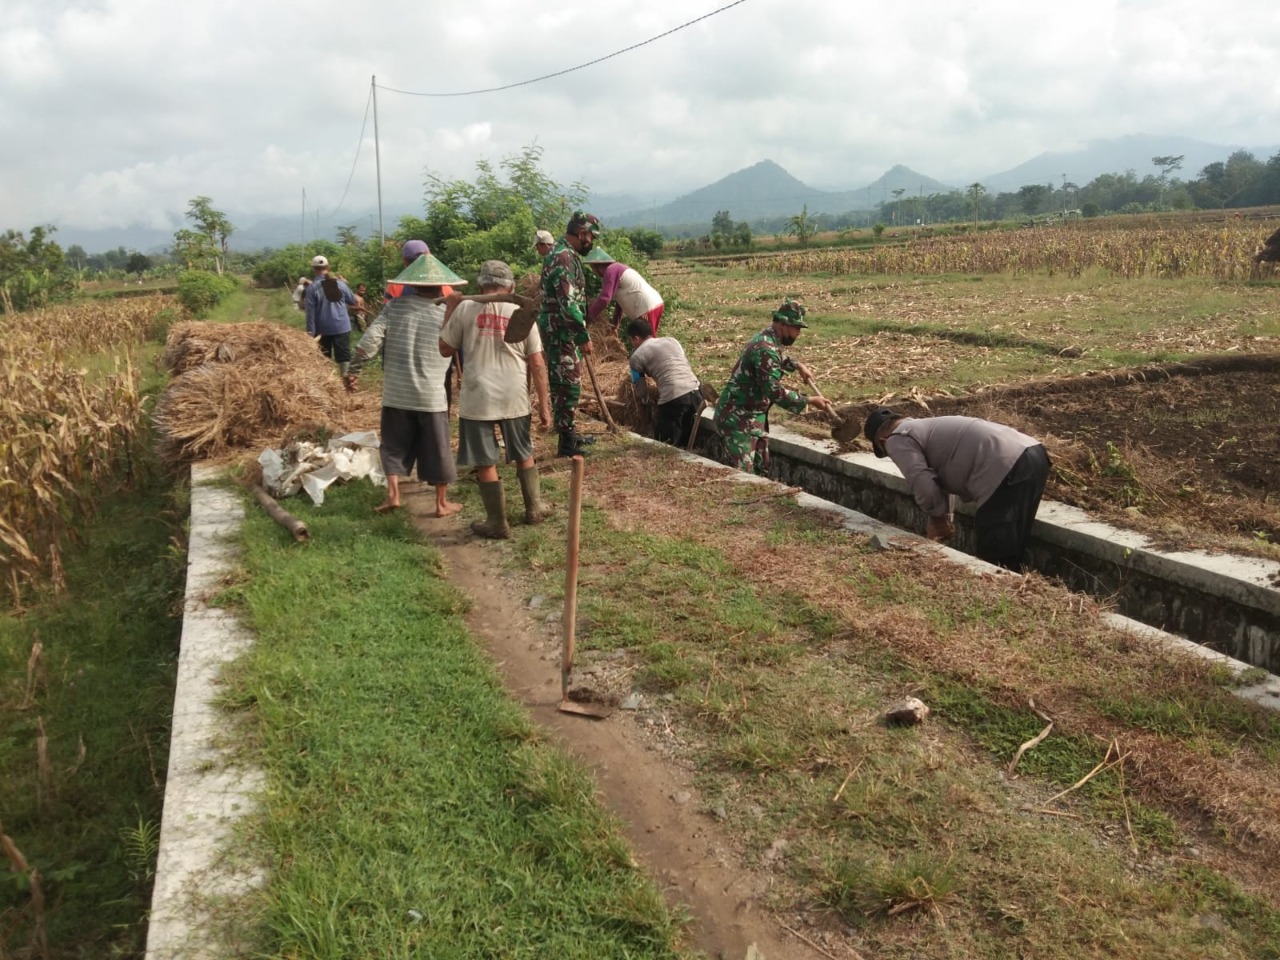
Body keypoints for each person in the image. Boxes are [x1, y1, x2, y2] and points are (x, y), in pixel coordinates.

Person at [344, 252, 467, 518]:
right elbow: (459, 345)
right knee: (437, 448)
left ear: (411, 283)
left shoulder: (395, 307)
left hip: (397, 393)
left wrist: (353, 370)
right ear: (442, 285)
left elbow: (369, 343)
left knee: (393, 445)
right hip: (431, 395)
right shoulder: (448, 311)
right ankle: (441, 503)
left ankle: (393, 495)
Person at [439, 260, 553, 539]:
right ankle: (535, 508)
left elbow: (444, 349)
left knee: (485, 460)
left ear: (480, 285)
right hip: (513, 395)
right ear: (511, 286)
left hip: (479, 397)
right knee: (523, 452)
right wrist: (545, 408)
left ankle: (497, 522)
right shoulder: (520, 311)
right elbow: (537, 363)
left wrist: (451, 306)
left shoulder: (465, 308)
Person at [863, 408, 1051, 571]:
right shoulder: (922, 428)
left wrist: (938, 520)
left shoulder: (896, 439)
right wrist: (946, 519)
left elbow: (923, 483)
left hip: (1005, 466)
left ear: (881, 441)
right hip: (1033, 453)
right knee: (1013, 543)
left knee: (995, 554)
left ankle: (996, 601)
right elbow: (938, 480)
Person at [713, 298, 833, 475]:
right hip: (737, 418)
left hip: (753, 416)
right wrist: (809, 401)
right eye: (796, 328)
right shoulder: (765, 347)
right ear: (784, 324)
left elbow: (778, 359)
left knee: (761, 471)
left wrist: (798, 366)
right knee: (742, 475)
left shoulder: (769, 339)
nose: (798, 334)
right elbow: (775, 391)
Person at [539, 210, 602, 457]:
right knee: (567, 384)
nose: (592, 242)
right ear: (582, 232)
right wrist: (582, 336)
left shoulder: (564, 254)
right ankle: (566, 443)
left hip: (563, 330)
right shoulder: (562, 257)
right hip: (561, 331)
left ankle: (570, 434)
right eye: (591, 237)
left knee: (567, 383)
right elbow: (567, 302)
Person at [626, 318, 702, 448]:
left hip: (674, 397)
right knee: (689, 441)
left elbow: (641, 387)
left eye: (631, 341)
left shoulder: (636, 357)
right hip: (696, 392)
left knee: (664, 443)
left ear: (636, 339)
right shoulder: (672, 341)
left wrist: (645, 402)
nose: (633, 344)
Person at [584, 247, 664, 338]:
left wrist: (588, 317)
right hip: (653, 303)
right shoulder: (616, 269)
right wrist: (615, 326)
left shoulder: (611, 270)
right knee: (648, 340)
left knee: (646, 341)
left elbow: (604, 298)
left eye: (592, 267)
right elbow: (620, 303)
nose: (593, 271)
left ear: (596, 265)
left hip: (646, 307)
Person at [303, 255, 355, 376]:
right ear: (328, 267)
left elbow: (310, 314)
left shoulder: (312, 288)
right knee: (344, 357)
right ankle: (346, 384)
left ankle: (328, 384)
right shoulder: (340, 284)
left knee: (323, 358)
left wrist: (310, 334)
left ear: (314, 269)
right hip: (342, 327)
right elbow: (352, 300)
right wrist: (346, 284)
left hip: (322, 330)